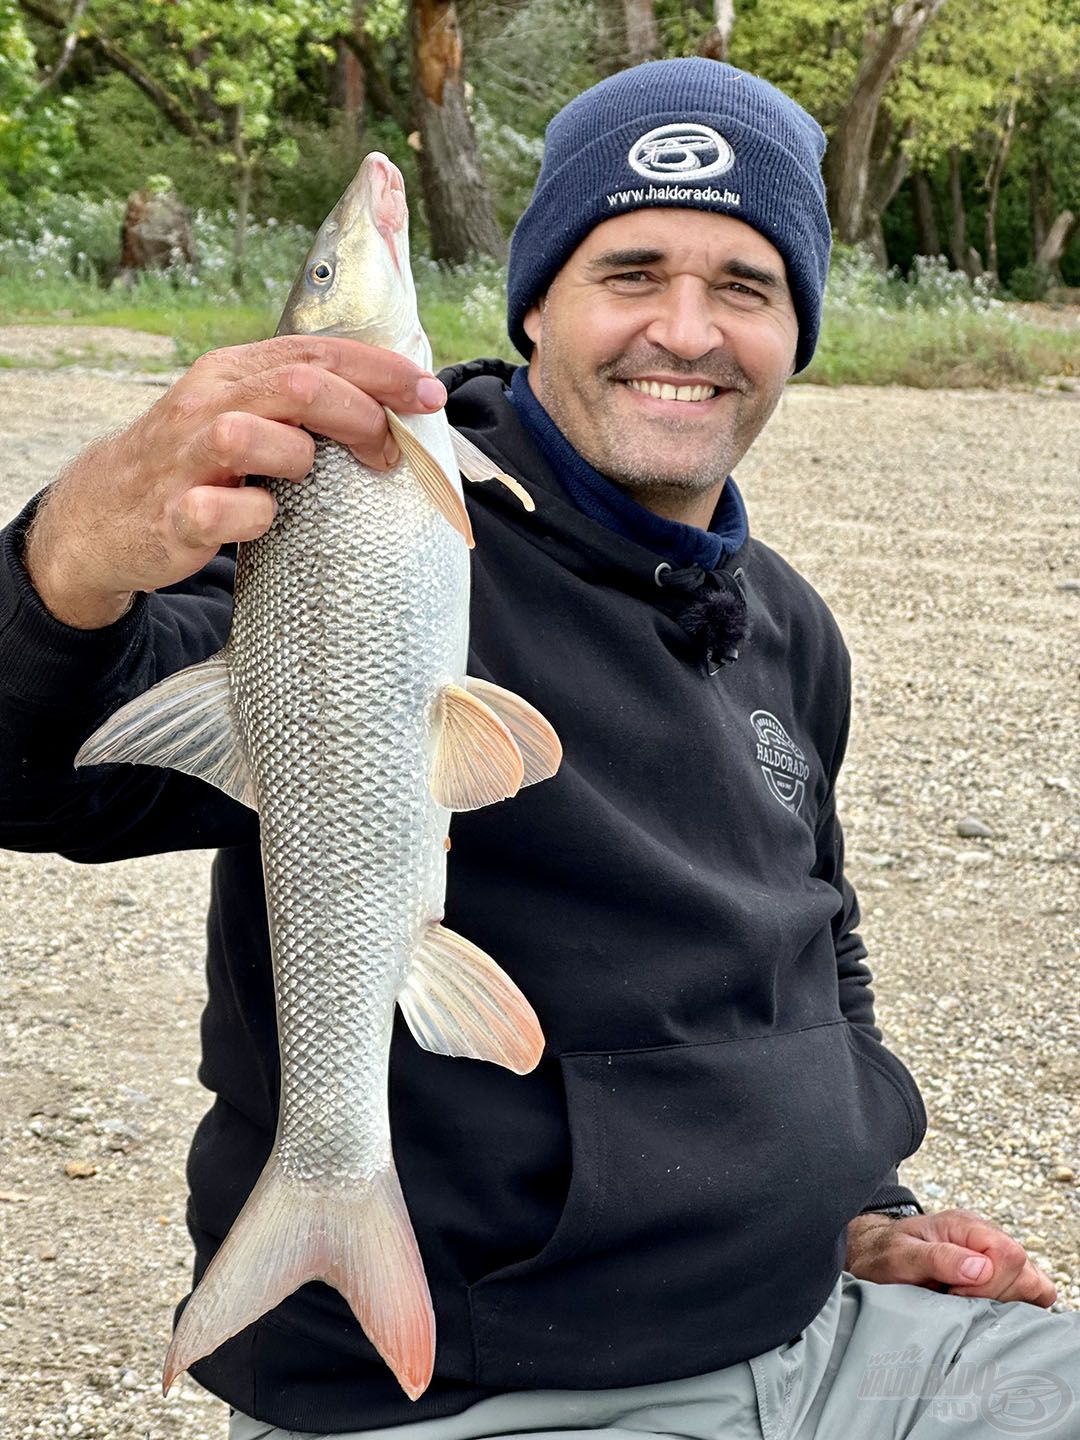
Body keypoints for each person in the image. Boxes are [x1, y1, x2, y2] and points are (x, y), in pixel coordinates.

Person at [0, 58, 1075, 1440]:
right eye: (629, 272)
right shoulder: (334, 520)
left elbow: (818, 950)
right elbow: (37, 768)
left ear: (796, 331)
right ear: (534, 306)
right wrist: (72, 554)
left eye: (743, 287)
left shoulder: (788, 626)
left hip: (815, 1327)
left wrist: (865, 1207)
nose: (684, 330)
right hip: (487, 1386)